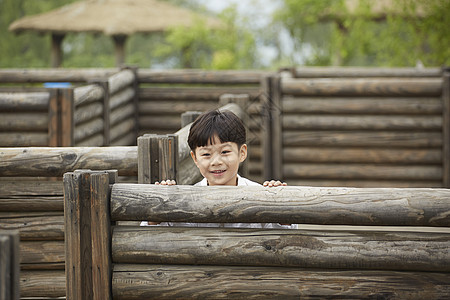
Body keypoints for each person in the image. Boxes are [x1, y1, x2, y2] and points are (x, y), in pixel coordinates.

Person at [141, 109, 296, 229]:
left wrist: (280, 207)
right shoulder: (186, 199)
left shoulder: (260, 194)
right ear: (195, 158)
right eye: (206, 154)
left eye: (225, 152)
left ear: (242, 153)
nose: (216, 161)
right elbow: (155, 236)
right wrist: (159, 208)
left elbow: (286, 237)